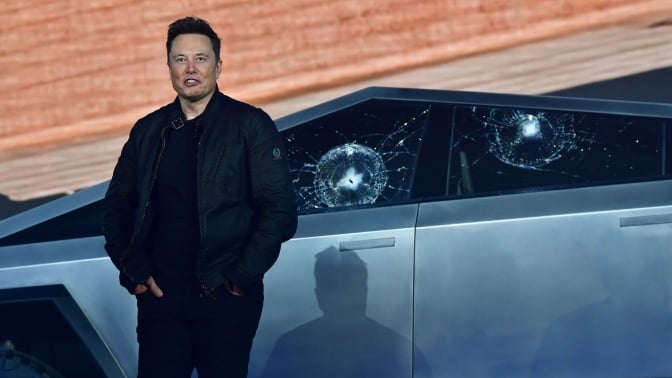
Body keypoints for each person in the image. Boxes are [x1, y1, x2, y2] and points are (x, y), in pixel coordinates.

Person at [102, 16, 298, 378]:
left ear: (218, 66)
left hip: (226, 299)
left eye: (201, 58)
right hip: (161, 301)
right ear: (169, 67)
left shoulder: (250, 125)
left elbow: (280, 210)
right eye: (180, 59)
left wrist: (242, 277)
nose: (190, 68)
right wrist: (135, 271)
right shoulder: (148, 131)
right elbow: (117, 207)